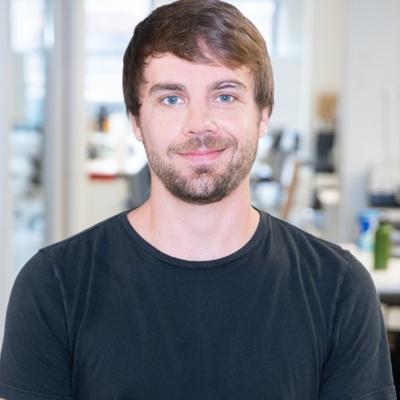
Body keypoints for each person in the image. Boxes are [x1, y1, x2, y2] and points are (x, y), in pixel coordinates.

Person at [0, 0, 396, 399]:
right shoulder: (54, 287)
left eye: (225, 96)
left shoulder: (338, 290)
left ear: (263, 115)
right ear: (136, 121)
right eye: (172, 99)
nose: (199, 125)